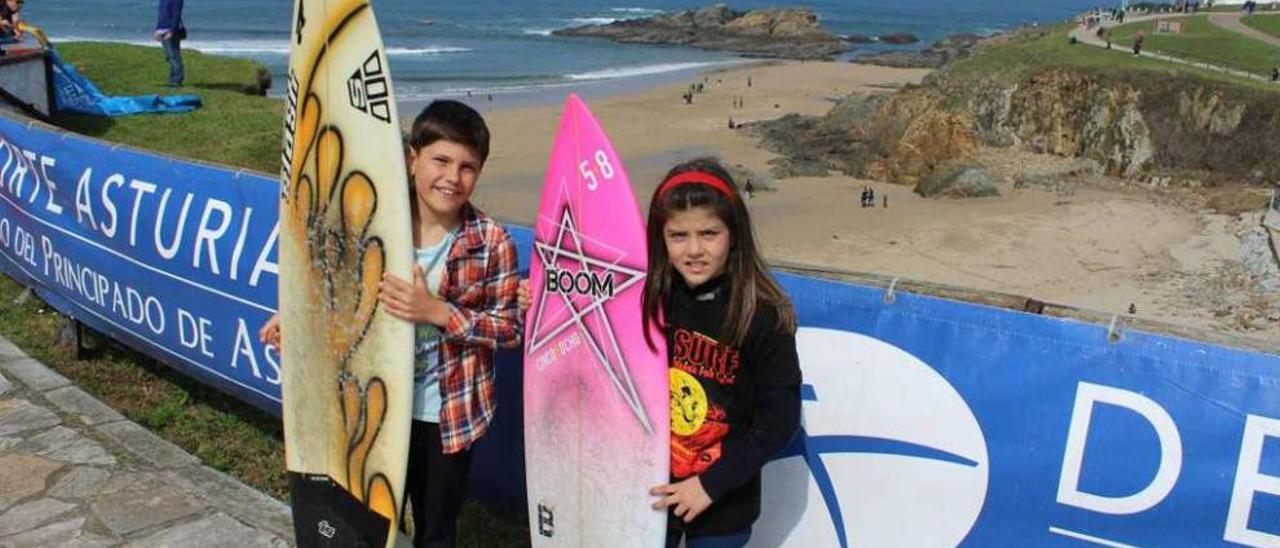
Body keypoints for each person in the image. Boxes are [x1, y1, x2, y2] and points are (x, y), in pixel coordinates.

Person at [261, 100, 522, 548]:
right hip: (375, 405)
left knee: (436, 528)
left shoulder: (492, 241)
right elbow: (338, 290)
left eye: (467, 167)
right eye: (440, 160)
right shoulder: (372, 223)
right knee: (367, 522)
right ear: (411, 157)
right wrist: (298, 321)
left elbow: (508, 329)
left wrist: (438, 312)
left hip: (447, 415)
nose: (451, 178)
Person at [642, 158, 801, 548]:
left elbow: (780, 419)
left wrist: (711, 486)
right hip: (649, 487)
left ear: (734, 234)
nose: (694, 250)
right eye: (678, 235)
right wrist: (538, 297)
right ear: (660, 237)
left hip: (722, 501)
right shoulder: (649, 298)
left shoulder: (762, 312)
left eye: (709, 233)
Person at [154, 0, 186, 87]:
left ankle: (176, 80)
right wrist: (157, 30)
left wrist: (172, 31)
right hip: (163, 29)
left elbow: (176, 15)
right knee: (170, 56)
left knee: (173, 55)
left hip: (171, 30)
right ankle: (173, 79)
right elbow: (161, 16)